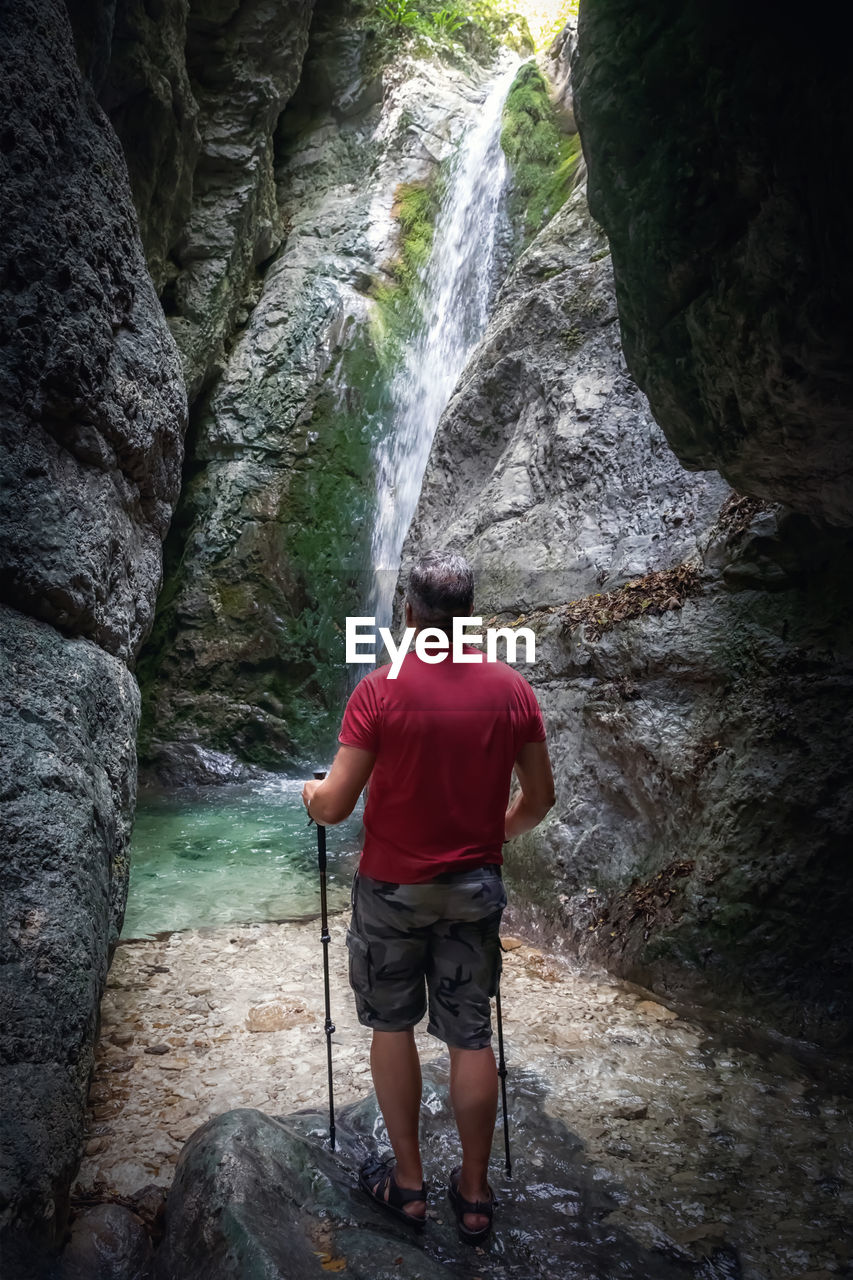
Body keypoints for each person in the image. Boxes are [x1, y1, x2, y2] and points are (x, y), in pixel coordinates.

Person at [301, 550, 555, 1244]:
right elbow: (539, 800)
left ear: (409, 614)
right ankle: (474, 1195)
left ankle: (408, 1185)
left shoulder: (380, 690)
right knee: (470, 1035)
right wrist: (485, 836)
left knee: (392, 1025)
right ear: (469, 617)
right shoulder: (511, 690)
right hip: (473, 888)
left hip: (392, 889)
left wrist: (310, 793)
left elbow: (333, 807)